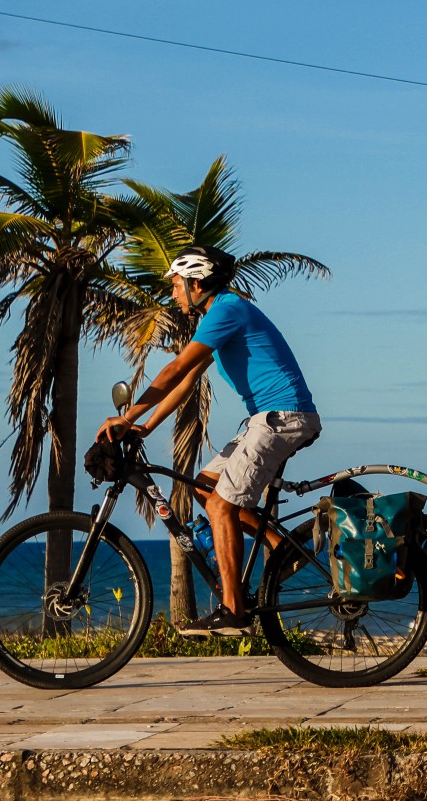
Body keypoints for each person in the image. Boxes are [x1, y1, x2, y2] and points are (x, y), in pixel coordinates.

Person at [95, 245, 321, 636]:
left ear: (197, 283)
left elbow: (175, 367)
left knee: (220, 507)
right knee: (205, 487)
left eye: (177, 285)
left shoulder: (227, 310)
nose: (173, 294)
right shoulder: (220, 316)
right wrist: (145, 427)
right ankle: (281, 549)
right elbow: (187, 380)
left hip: (283, 418)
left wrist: (127, 415)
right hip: (265, 419)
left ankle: (234, 612)